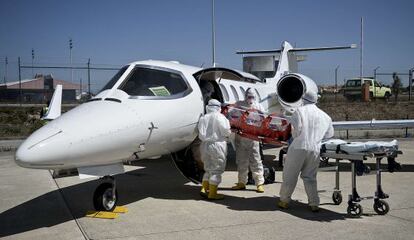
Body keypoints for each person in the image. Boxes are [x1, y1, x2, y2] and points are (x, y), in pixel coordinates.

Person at [278, 91, 334, 212]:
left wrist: (295, 136)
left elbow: (296, 131)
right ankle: (314, 203)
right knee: (310, 177)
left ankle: (284, 200)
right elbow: (330, 135)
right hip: (315, 149)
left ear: (303, 99)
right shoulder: (325, 116)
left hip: (299, 147)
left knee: (290, 175)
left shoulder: (299, 111)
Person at [231, 88, 266, 193]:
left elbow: (264, 120)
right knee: (242, 161)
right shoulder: (239, 105)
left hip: (253, 139)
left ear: (255, 97)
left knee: (256, 161)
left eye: (252, 97)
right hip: (241, 139)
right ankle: (242, 182)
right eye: (248, 96)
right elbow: (232, 116)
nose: (250, 99)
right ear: (245, 96)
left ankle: (259, 183)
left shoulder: (259, 106)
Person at [198, 99, 231, 200]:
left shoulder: (203, 118)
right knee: (216, 169)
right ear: (218, 107)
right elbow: (226, 131)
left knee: (208, 167)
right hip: (217, 144)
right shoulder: (220, 117)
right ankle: (212, 194)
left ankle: (204, 189)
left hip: (204, 145)